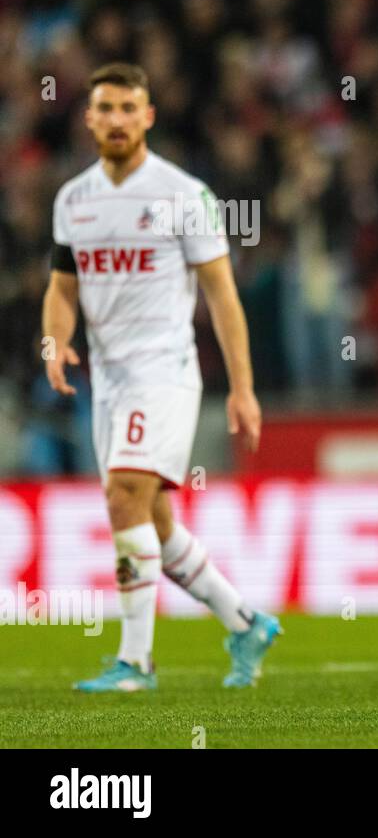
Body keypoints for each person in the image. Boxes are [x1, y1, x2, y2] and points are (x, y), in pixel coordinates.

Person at [42, 63, 282, 692]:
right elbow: (62, 288)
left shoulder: (184, 194)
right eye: (106, 108)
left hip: (164, 371)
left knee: (123, 494)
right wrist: (53, 342)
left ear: (148, 116)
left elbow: (224, 297)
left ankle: (137, 663)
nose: (117, 119)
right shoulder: (73, 200)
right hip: (108, 380)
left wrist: (243, 387)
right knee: (156, 522)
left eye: (129, 108)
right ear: (88, 118)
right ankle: (247, 621)